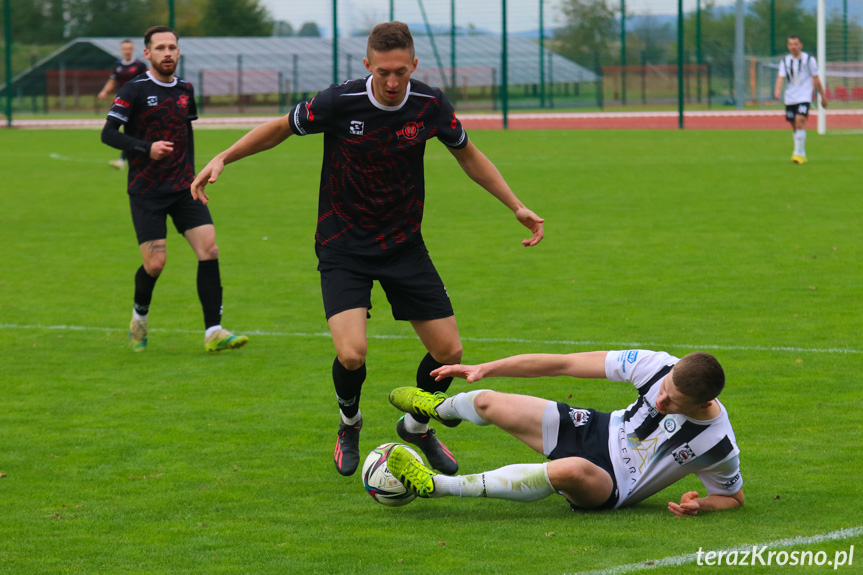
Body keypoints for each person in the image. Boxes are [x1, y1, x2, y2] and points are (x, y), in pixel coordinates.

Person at [190, 21, 544, 477]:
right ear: (367, 66)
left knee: (449, 351)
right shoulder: (339, 101)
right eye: (383, 73)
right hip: (343, 246)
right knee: (353, 353)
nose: (393, 82)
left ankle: (416, 426)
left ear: (414, 65)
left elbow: (468, 155)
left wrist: (515, 205)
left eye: (401, 71)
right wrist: (223, 156)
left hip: (403, 246)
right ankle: (349, 422)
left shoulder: (430, 104)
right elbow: (280, 127)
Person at [387, 349, 744, 516]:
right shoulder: (657, 365)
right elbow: (565, 363)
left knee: (569, 470)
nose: (660, 398)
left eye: (672, 402)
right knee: (486, 402)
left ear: (702, 404)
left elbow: (733, 498)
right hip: (594, 429)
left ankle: (435, 487)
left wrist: (701, 505)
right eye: (663, 387)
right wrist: (487, 367)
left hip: (612, 483)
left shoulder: (717, 442)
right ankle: (436, 409)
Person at [101, 26, 249, 354]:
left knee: (209, 250)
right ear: (148, 54)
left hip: (183, 188)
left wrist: (194, 177)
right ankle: (139, 317)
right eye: (160, 48)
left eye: (172, 47)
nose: (167, 53)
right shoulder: (133, 89)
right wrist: (145, 148)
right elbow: (108, 133)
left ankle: (213, 331)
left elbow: (185, 133)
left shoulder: (185, 89)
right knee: (155, 264)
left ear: (178, 53)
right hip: (146, 191)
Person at [773, 34, 828, 165]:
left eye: (795, 44)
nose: (793, 47)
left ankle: (797, 154)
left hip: (804, 96)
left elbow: (816, 79)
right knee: (794, 125)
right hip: (790, 97)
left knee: (799, 120)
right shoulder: (785, 61)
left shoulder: (809, 60)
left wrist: (823, 96)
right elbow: (781, 77)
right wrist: (777, 89)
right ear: (788, 46)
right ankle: (800, 153)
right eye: (791, 44)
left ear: (800, 45)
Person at [98, 39, 148, 170]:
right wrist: (104, 91)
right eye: (125, 49)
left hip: (138, 102)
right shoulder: (118, 65)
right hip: (123, 102)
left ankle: (126, 159)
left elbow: (148, 81)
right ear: (121, 50)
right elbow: (112, 80)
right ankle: (126, 159)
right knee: (129, 131)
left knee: (132, 131)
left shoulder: (140, 66)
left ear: (133, 50)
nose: (127, 51)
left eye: (129, 48)